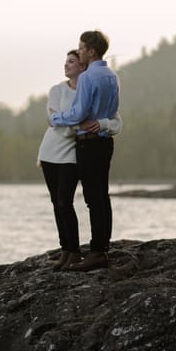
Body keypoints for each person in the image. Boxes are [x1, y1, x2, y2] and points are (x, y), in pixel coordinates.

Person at [38, 49, 122, 272]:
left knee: (66, 201)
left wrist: (96, 124)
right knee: (57, 203)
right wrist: (78, 125)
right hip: (49, 152)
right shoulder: (56, 90)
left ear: (82, 67)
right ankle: (66, 250)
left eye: (72, 61)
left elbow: (115, 121)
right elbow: (54, 122)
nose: (66, 65)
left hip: (72, 154)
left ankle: (75, 251)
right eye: (65, 61)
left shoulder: (88, 90)